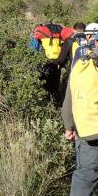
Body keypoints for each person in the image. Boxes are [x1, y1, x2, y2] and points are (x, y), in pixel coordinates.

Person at [62, 29, 98, 195]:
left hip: (86, 131)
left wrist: (69, 127)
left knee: (85, 176)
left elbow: (68, 101)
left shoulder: (80, 63)